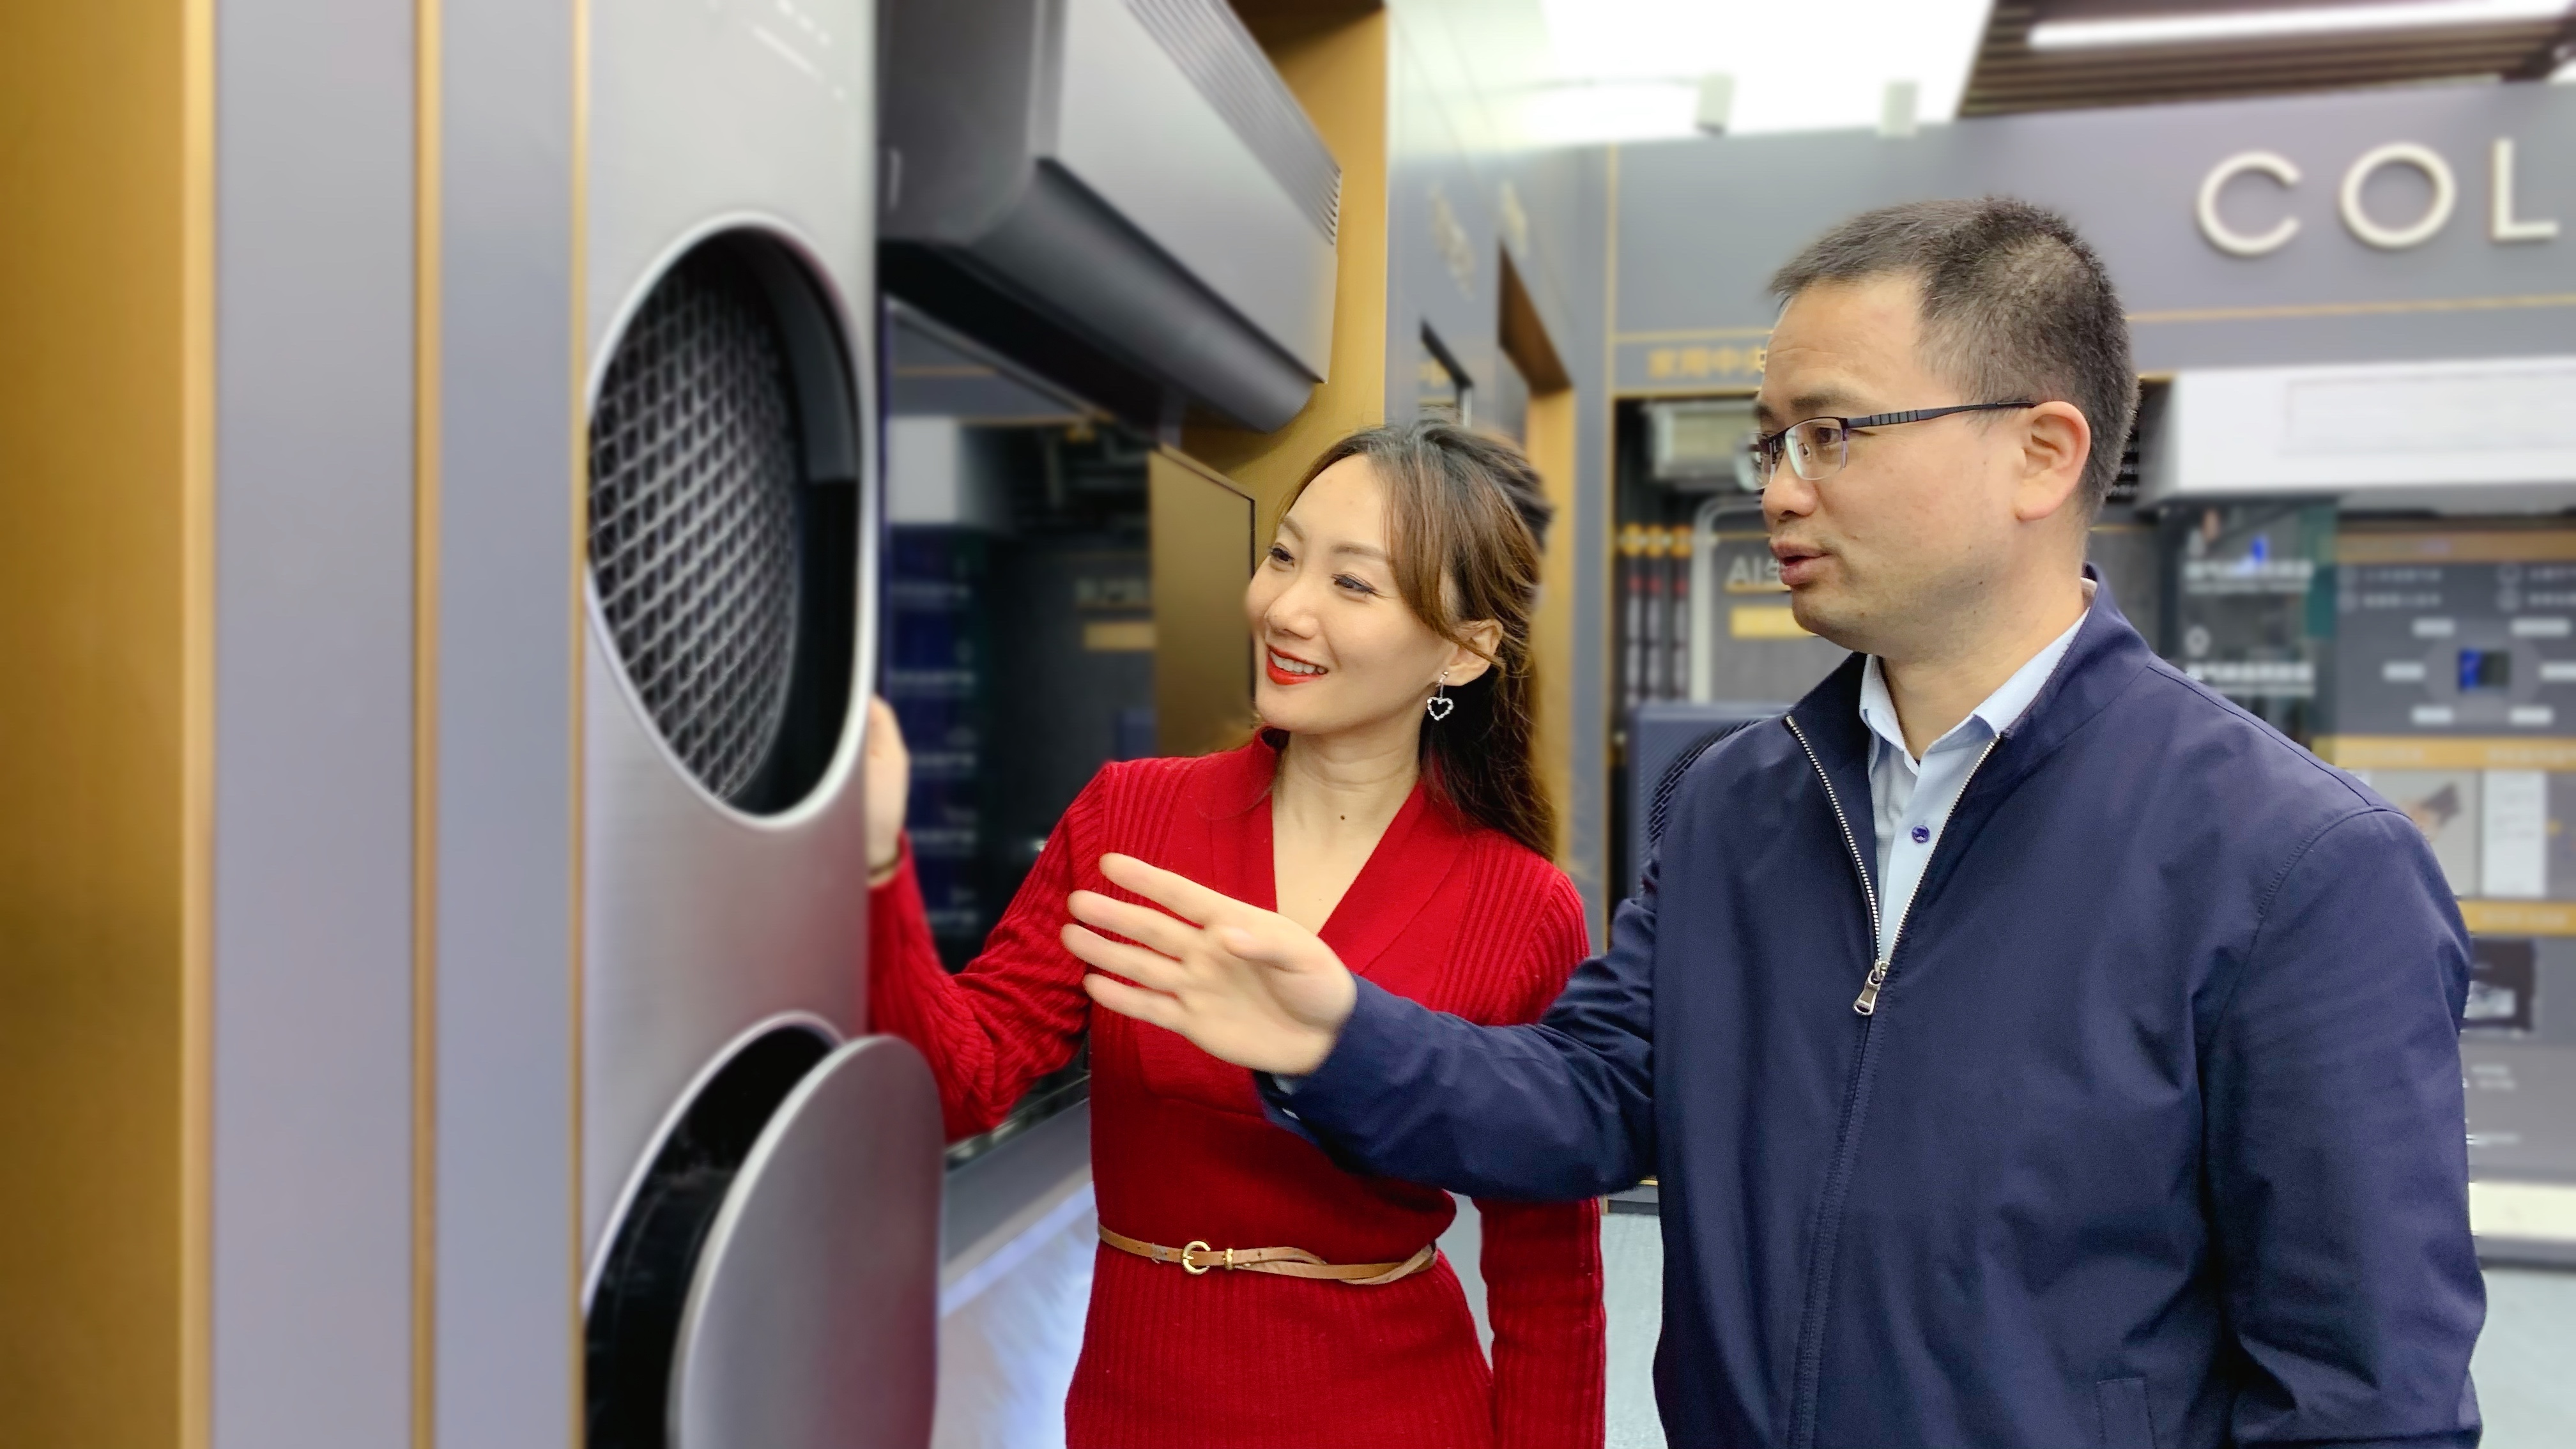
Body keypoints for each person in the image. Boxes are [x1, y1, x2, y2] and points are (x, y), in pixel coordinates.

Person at [1070, 199, 2488, 1449]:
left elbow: (2368, 1397)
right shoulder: (1739, 804)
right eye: (1771, 441)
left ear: (2043, 453)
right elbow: (1589, 1103)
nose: (1778, 487)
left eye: (1833, 433)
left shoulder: (2299, 869)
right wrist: (1342, 1036)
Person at [861, 420, 1606, 1448]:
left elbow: (1550, 1284)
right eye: (1283, 556)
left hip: (1398, 1418)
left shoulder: (1521, 907)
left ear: (1465, 650)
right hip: (1135, 1416)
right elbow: (961, 1081)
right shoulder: (1130, 819)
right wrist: (876, 870)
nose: (1286, 609)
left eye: (1353, 584)